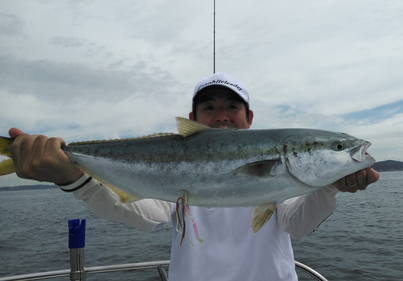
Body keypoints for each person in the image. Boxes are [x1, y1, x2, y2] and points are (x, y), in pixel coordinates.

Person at [8, 72, 379, 280]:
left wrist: (328, 188)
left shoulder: (287, 182)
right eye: (209, 107)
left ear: (249, 120)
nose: (221, 115)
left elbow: (296, 225)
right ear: (193, 119)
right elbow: (144, 215)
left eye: (232, 107)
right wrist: (75, 178)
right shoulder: (175, 181)